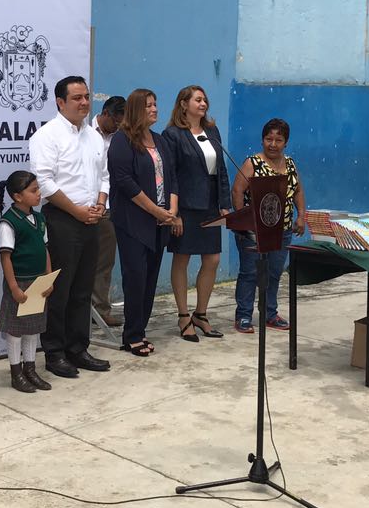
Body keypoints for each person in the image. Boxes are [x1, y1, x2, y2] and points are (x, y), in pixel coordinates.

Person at [27, 76, 111, 378]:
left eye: (87, 96)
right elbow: (45, 183)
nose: (84, 103)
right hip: (63, 219)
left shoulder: (94, 137)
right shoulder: (46, 136)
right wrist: (76, 210)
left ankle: (78, 349)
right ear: (60, 102)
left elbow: (104, 175)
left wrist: (100, 202)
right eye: (77, 98)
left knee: (82, 289)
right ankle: (55, 353)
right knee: (59, 290)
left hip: (92, 219)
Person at [106, 89, 177, 356]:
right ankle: (132, 335)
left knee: (149, 279)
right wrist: (156, 211)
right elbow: (124, 182)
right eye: (148, 105)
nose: (155, 109)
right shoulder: (122, 141)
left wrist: (171, 209)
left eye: (156, 104)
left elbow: (172, 176)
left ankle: (140, 329)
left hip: (161, 221)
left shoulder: (160, 141)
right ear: (136, 109)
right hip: (134, 221)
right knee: (135, 278)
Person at [161, 85, 231, 342]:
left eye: (205, 100)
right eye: (198, 100)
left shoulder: (211, 131)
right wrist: (174, 213)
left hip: (211, 205)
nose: (203, 104)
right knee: (182, 258)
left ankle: (201, 313)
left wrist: (225, 202)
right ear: (183, 104)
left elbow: (221, 169)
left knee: (212, 259)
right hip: (186, 207)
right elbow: (171, 175)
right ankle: (183, 315)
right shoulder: (172, 135)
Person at [231, 117, 307, 334]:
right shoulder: (252, 163)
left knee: (274, 273)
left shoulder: (290, 164)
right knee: (249, 273)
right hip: (254, 232)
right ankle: (243, 316)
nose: (272, 144)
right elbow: (237, 191)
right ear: (262, 140)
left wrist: (301, 216)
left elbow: (298, 191)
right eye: (268, 139)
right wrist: (242, 222)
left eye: (278, 140)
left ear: (286, 143)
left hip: (281, 231)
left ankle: (269, 314)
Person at [0, 170, 54, 393]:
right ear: (17, 196)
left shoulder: (39, 219)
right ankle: (16, 372)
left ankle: (31, 369)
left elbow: (46, 249)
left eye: (38, 189)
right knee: (16, 329)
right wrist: (13, 287)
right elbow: (5, 256)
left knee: (32, 328)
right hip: (19, 283)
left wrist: (48, 278)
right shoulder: (8, 222)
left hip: (38, 282)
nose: (39, 194)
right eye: (34, 190)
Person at [91, 96, 126, 327]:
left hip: (110, 206)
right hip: (81, 205)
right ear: (104, 113)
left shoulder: (120, 139)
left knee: (104, 262)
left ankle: (100, 310)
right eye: (115, 121)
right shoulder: (84, 133)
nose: (117, 126)